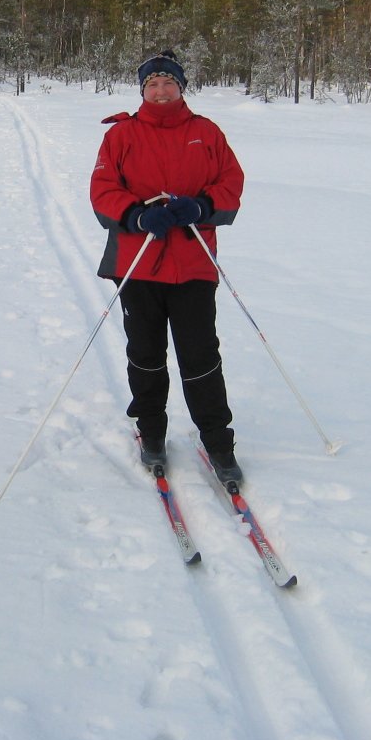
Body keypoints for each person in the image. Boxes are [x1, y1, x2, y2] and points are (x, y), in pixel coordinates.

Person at [90, 50, 246, 484]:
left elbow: (231, 183)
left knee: (200, 356)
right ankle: (151, 431)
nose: (160, 91)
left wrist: (201, 206)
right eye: (152, 84)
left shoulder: (206, 132)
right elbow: (102, 190)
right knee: (145, 354)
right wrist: (137, 216)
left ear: (181, 87)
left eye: (168, 83)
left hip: (193, 261)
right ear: (142, 90)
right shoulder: (121, 135)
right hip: (138, 263)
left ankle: (218, 442)